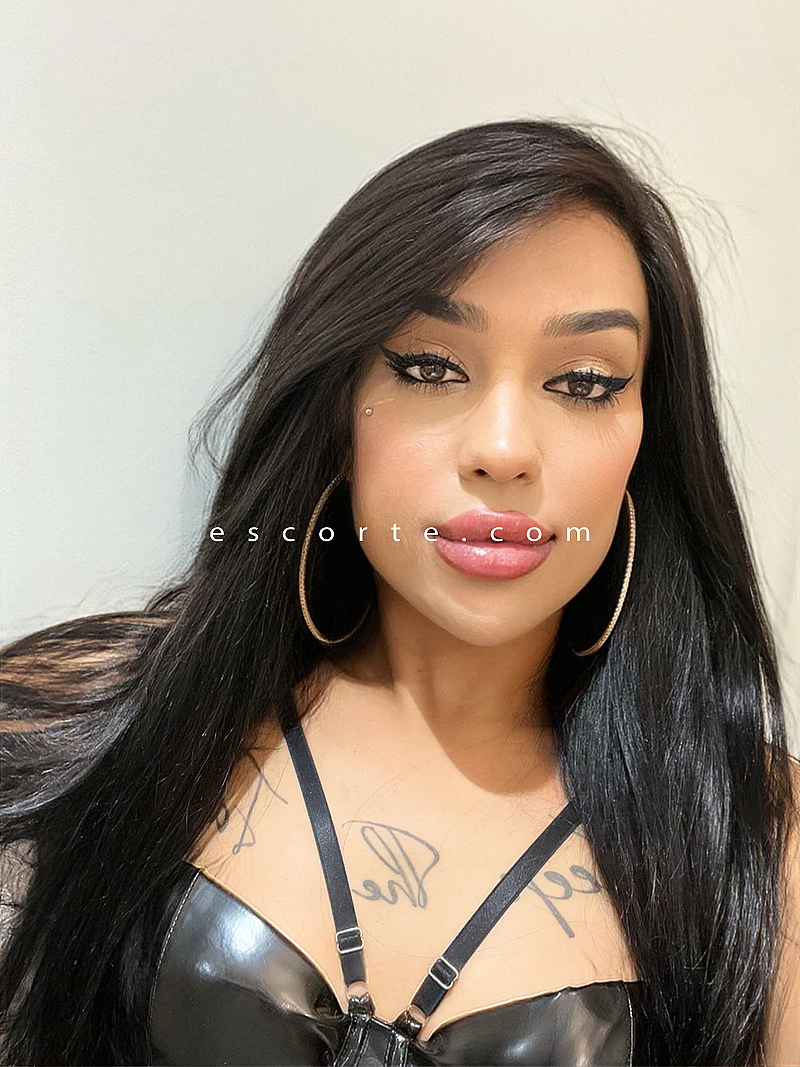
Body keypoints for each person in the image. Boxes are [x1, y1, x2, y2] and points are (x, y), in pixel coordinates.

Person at [0, 118, 797, 1067]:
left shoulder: (755, 838)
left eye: (584, 382)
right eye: (430, 368)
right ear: (339, 410)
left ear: (644, 442)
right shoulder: (80, 717)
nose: (502, 449)